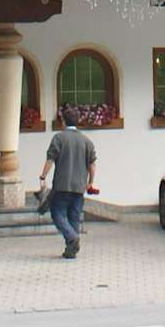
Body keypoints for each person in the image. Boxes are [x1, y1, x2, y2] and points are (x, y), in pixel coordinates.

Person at [37, 110, 98, 259]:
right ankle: (71, 249)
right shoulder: (86, 141)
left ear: (64, 121)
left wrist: (43, 176)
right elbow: (92, 164)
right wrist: (90, 182)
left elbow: (50, 159)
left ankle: (72, 238)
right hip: (79, 187)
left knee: (57, 213)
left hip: (61, 185)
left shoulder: (59, 138)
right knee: (74, 217)